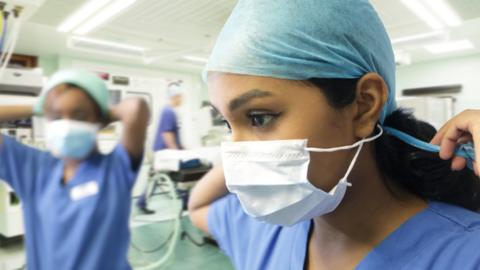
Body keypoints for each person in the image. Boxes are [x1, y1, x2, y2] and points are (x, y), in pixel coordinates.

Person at [188, 1, 480, 269]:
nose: (236, 155)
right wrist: (244, 139)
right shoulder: (263, 226)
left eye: (259, 117)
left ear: (363, 105)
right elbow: (198, 206)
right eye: (227, 124)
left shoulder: (465, 256)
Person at [0, 70, 150, 270]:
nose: (66, 124)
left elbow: (136, 108)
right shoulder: (33, 169)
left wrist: (104, 113)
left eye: (79, 115)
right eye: (56, 116)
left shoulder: (115, 169)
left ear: (99, 119)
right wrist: (38, 107)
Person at [137, 82, 183, 214]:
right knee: (159, 177)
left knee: (157, 177)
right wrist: (176, 152)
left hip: (163, 150)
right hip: (163, 152)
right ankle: (141, 203)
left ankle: (184, 199)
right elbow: (167, 134)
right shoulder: (168, 111)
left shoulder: (170, 111)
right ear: (175, 97)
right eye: (180, 96)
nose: (182, 99)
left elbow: (172, 134)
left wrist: (181, 147)